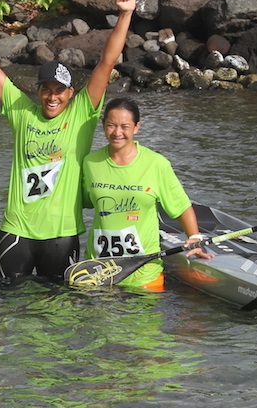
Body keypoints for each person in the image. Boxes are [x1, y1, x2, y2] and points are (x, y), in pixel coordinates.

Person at [0, 0, 136, 284]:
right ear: (38, 90)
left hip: (61, 237)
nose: (52, 96)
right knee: (9, 311)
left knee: (57, 315)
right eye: (46, 89)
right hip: (16, 233)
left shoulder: (82, 113)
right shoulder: (22, 111)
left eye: (59, 90)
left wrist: (125, 14)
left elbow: (106, 63)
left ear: (71, 93)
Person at [81, 97, 212, 291]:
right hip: (100, 272)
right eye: (111, 125)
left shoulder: (156, 164)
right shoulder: (90, 163)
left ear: (136, 127)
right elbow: (83, 201)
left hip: (144, 274)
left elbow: (182, 206)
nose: (117, 132)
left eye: (125, 126)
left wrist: (194, 238)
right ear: (103, 125)